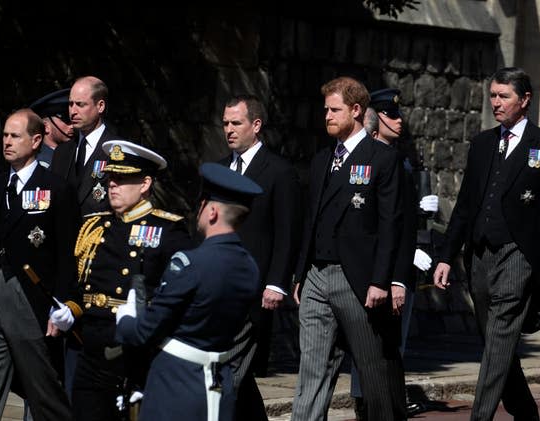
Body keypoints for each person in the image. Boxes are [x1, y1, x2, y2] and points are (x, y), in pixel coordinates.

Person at [433, 67, 540, 421]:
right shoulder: (483, 144)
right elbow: (466, 205)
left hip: (519, 256)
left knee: (498, 340)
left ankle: (479, 417)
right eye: (493, 95)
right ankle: (526, 412)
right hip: (480, 256)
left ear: (524, 100)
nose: (496, 103)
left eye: (504, 96)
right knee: (497, 343)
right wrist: (446, 257)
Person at [291, 76, 406, 421]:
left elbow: (391, 225)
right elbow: (310, 219)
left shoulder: (382, 159)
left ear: (356, 110)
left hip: (357, 280)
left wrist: (382, 280)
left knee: (373, 374)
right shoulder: (322, 159)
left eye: (334, 109)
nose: (326, 115)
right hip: (316, 277)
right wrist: (300, 273)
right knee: (312, 370)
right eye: (325, 109)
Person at [115, 162, 263, 421]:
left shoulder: (189, 263)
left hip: (177, 386)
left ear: (213, 211)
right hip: (221, 382)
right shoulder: (249, 267)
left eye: (202, 205)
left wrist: (126, 319)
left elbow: (143, 332)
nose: (199, 211)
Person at [0, 108, 79, 421]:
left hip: (30, 294)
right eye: (4, 135)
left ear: (36, 141)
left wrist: (64, 300)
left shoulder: (56, 188)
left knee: (40, 387)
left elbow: (68, 252)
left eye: (15, 136)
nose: (7, 142)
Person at [69, 140, 192, 421]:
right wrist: (70, 307)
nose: (113, 185)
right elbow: (78, 280)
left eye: (123, 179)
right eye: (111, 178)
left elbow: (180, 292)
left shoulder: (167, 229)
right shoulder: (94, 225)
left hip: (134, 350)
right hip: (90, 345)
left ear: (145, 183)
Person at [350, 88, 439, 420]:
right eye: (392, 115)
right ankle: (367, 403)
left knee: (393, 344)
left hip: (402, 263)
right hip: (377, 265)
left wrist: (420, 215)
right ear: (376, 118)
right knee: (368, 340)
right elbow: (372, 218)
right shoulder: (367, 160)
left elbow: (398, 215)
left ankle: (388, 403)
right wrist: (408, 249)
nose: (400, 121)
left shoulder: (401, 161)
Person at [218, 95, 301, 420]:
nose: (229, 129)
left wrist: (277, 283)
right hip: (220, 285)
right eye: (225, 123)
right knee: (239, 374)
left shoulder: (279, 171)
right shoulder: (220, 167)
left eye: (235, 123)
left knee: (230, 374)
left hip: (254, 291)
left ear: (255, 125)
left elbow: (287, 232)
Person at [51, 75, 118, 217]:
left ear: (100, 106)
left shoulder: (116, 150)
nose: (73, 111)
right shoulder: (62, 152)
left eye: (80, 104)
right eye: (70, 104)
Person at [29, 88, 75, 168]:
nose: (72, 126)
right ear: (46, 127)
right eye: (66, 120)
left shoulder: (73, 153)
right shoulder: (43, 163)